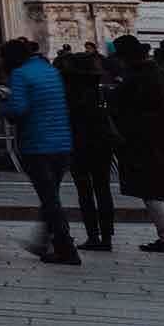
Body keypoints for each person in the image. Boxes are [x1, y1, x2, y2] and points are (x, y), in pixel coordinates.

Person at [0, 37, 80, 263]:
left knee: (50, 199)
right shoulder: (49, 70)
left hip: (38, 144)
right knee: (50, 196)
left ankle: (66, 248)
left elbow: (19, 109)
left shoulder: (20, 74)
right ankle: (45, 242)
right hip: (62, 143)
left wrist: (2, 104)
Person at [109, 35, 164, 253]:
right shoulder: (157, 72)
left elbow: (124, 105)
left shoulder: (137, 76)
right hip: (163, 138)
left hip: (144, 140)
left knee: (151, 190)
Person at [57, 46, 119, 251]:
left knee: (84, 190)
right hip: (103, 143)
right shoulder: (101, 90)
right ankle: (107, 236)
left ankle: (93, 235)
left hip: (80, 144)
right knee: (103, 188)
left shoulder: (69, 94)